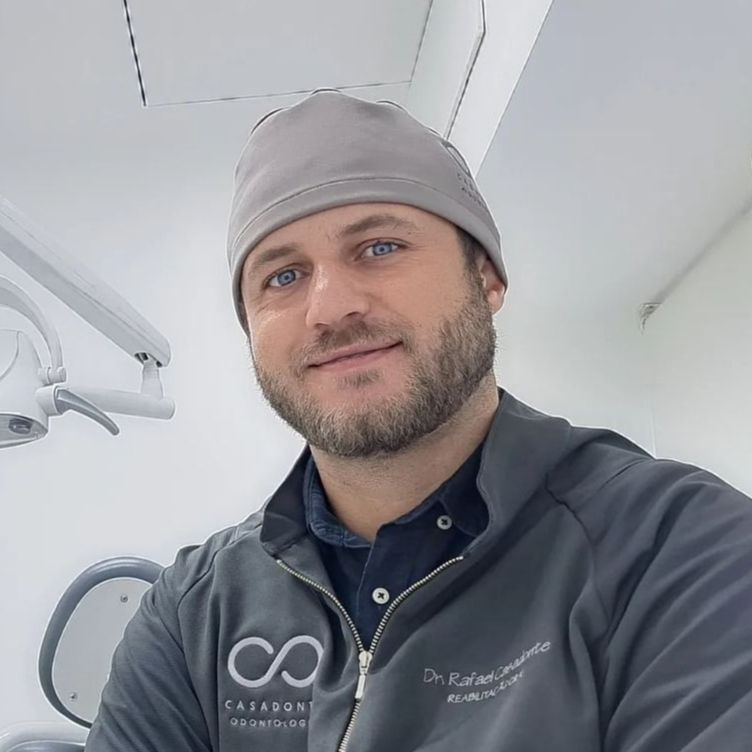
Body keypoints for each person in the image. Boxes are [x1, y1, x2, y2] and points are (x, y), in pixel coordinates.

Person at [85, 90, 752, 752]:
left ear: (486, 277)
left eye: (379, 247)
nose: (330, 308)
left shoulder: (677, 547)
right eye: (283, 276)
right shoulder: (193, 613)